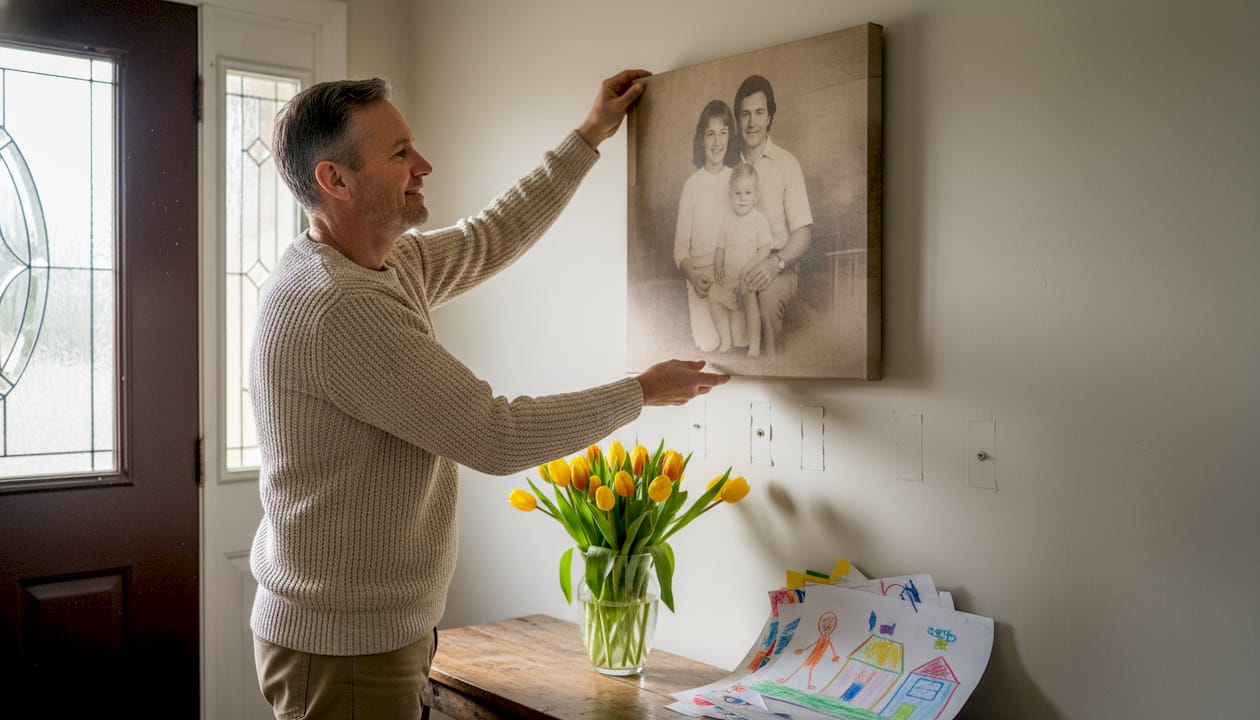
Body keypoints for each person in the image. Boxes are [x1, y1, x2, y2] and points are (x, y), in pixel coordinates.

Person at [248, 69, 729, 720]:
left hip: (371, 634)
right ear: (334, 180)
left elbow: (492, 236)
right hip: (344, 649)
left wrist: (589, 135)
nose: (423, 164)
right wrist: (643, 392)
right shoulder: (337, 307)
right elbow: (494, 435)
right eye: (398, 154)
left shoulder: (386, 263)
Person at [732, 74, 813, 357]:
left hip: (780, 266)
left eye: (759, 113)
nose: (752, 123)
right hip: (734, 263)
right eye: (745, 115)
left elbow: (803, 234)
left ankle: (768, 374)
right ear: (737, 120)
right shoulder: (728, 167)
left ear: (770, 117)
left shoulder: (787, 164)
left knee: (765, 299)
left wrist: (775, 264)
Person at [673, 99, 741, 352]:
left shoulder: (736, 178)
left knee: (742, 339)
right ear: (702, 139)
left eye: (723, 133)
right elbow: (679, 248)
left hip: (730, 277)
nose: (717, 142)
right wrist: (692, 275)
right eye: (710, 134)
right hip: (701, 280)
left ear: (730, 137)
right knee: (709, 344)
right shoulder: (692, 186)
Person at [710, 163, 773, 356]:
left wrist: (750, 265)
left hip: (747, 275)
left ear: (756, 196)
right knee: (713, 294)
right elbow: (720, 247)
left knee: (749, 299)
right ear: (730, 196)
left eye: (748, 193)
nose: (743, 199)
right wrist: (718, 263)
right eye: (738, 193)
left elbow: (765, 249)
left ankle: (754, 344)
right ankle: (726, 339)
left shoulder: (758, 219)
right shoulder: (727, 220)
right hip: (729, 276)